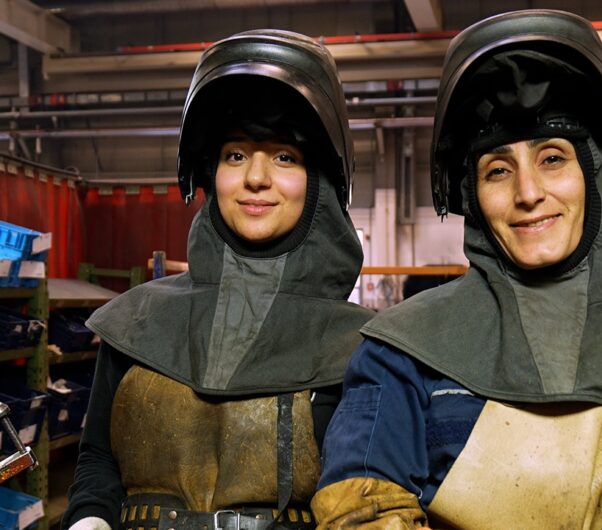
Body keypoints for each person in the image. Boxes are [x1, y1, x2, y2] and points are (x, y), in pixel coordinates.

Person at [311, 10, 602, 529]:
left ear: (595, 175)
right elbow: (360, 512)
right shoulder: (401, 355)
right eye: (498, 170)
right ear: (473, 197)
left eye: (553, 159)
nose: (528, 193)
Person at [61, 29, 374, 530]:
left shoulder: (361, 346)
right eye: (235, 155)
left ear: (319, 181)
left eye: (284, 156)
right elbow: (98, 461)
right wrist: (89, 519)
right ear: (210, 174)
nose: (256, 178)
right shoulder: (137, 322)